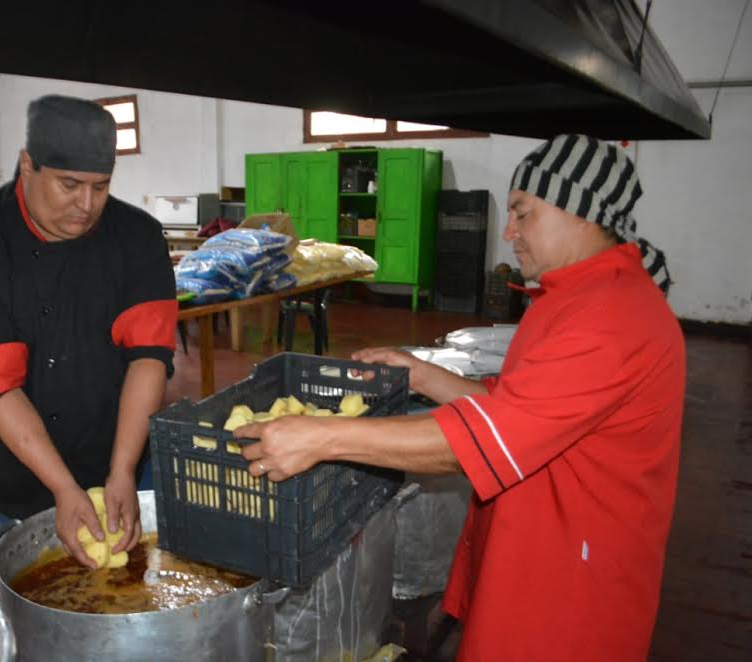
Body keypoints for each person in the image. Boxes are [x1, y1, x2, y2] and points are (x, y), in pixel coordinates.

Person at [237, 134, 684, 660]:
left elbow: (488, 441)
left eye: (523, 212)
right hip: (539, 550)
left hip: (570, 587)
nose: (510, 231)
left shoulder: (609, 318)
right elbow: (522, 407)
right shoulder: (577, 297)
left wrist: (321, 437)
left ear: (579, 213)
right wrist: (424, 375)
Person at [0, 94, 177, 567]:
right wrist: (63, 488)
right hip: (23, 476)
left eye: (101, 187)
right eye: (69, 185)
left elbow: (149, 356)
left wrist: (123, 469)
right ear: (27, 165)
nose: (86, 206)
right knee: (42, 597)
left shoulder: (136, 237)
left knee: (138, 586)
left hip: (120, 449)